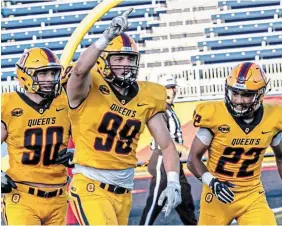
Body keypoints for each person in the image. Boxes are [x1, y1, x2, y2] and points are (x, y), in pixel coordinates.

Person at [65, 9, 182, 225]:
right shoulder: (87, 86)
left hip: (124, 191)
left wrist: (173, 181)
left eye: (130, 59)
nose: (125, 65)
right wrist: (105, 37)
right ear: (103, 60)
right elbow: (80, 71)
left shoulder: (148, 95)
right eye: (118, 58)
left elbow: (166, 145)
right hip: (90, 184)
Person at [187, 62, 282, 225]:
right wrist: (212, 182)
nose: (238, 100)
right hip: (217, 195)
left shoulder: (273, 118)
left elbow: (281, 157)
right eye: (234, 93)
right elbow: (192, 159)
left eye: (245, 95)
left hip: (251, 196)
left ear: (259, 94)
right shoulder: (214, 115)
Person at [1, 47, 73, 225]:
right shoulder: (8, 104)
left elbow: (88, 138)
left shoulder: (64, 103)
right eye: (43, 74)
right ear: (26, 75)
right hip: (23, 197)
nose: (50, 79)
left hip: (59, 197)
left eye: (53, 73)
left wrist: (76, 152)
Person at [139, 75, 197, 225]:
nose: (173, 90)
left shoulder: (170, 110)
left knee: (185, 198)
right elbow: (164, 142)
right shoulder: (162, 111)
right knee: (155, 202)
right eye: (168, 87)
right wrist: (186, 149)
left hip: (173, 161)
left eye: (173, 87)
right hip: (162, 160)